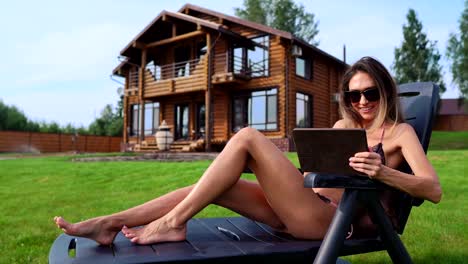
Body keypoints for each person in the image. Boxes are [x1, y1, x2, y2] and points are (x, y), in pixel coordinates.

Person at [54, 56, 442, 245]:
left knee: (246, 136)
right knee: (209, 186)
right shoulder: (343, 127)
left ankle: (171, 224)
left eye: (369, 93)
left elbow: (433, 190)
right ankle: (109, 223)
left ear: (385, 92)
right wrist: (285, 172)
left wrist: (382, 172)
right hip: (305, 203)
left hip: (334, 222)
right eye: (354, 94)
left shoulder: (399, 133)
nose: (361, 101)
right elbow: (314, 175)